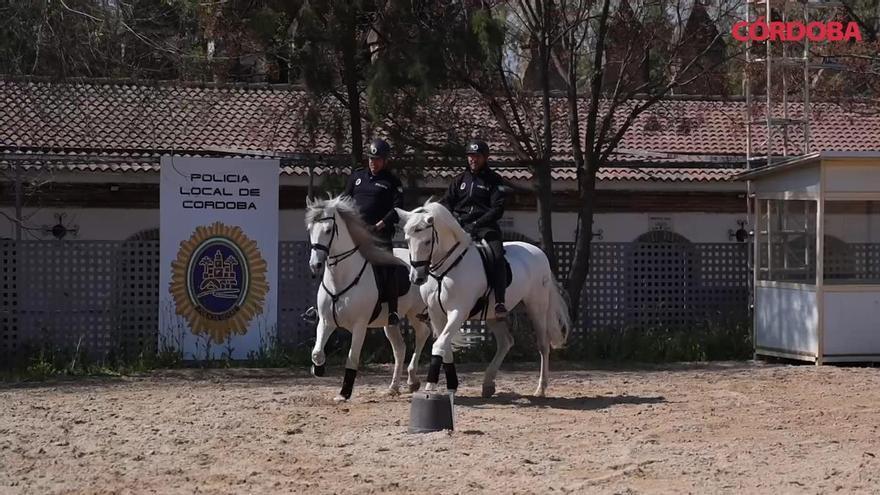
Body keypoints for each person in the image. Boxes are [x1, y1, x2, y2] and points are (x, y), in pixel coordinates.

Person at [301, 138, 404, 325]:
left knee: (389, 266)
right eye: (372, 159)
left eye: (378, 159)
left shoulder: (392, 182)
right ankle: (319, 308)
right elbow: (343, 201)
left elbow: (397, 209)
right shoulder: (357, 177)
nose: (374, 163)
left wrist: (381, 224)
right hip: (355, 234)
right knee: (331, 259)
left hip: (378, 235)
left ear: (385, 160)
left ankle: (393, 312)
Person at [438, 139, 509, 317]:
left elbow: (498, 209)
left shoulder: (494, 180)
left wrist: (477, 223)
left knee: (498, 256)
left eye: (476, 156)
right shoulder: (459, 180)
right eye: (470, 156)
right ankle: (432, 302)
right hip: (460, 228)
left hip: (485, 227)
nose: (473, 160)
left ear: (485, 158)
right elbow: (447, 202)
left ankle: (500, 300)